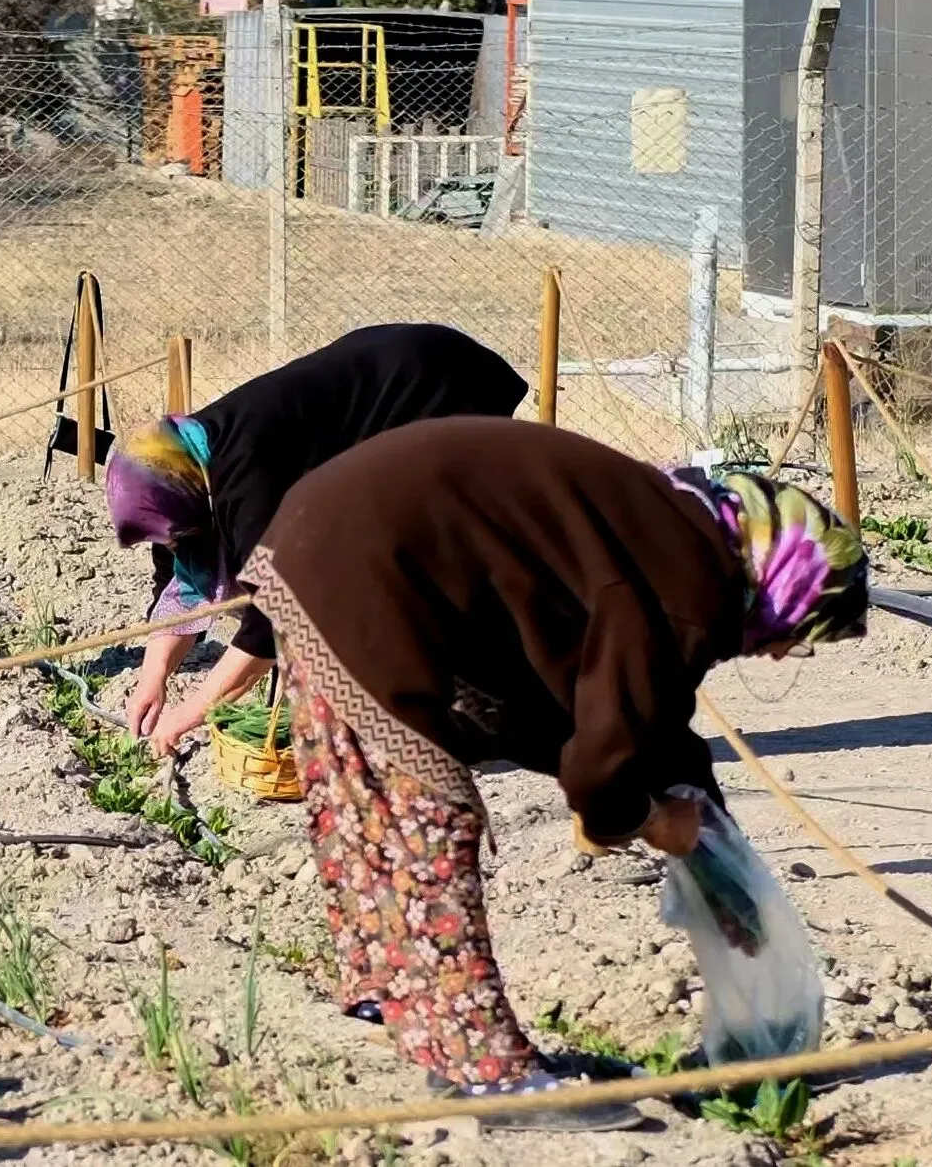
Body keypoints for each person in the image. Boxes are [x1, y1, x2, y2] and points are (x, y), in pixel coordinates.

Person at [238, 417, 866, 1131]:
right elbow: (604, 754)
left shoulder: (676, 534)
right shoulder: (690, 585)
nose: (784, 654)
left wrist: (717, 861)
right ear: (785, 574)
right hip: (367, 565)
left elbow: (622, 714)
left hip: (320, 539)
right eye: (801, 628)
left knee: (365, 804)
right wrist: (644, 819)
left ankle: (391, 999)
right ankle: (487, 1078)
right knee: (428, 816)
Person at [105, 324, 529, 755]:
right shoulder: (179, 469)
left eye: (174, 536)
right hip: (382, 383)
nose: (173, 546)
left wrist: (190, 713)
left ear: (191, 501)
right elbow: (179, 588)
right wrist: (152, 676)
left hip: (433, 387)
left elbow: (274, 619)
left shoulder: (246, 482)